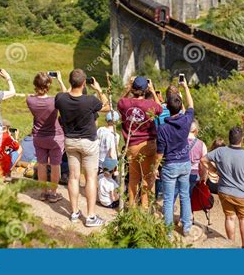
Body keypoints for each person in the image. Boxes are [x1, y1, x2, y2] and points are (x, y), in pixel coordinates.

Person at [55, 69, 110, 227]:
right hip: (88, 143)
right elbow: (107, 107)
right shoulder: (90, 101)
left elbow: (66, 95)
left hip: (70, 142)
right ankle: (91, 217)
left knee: (73, 177)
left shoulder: (61, 98)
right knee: (91, 178)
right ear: (84, 83)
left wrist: (62, 84)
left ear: (70, 82)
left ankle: (74, 213)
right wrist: (99, 90)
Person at [201, 127, 244, 248]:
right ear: (242, 139)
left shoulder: (220, 151)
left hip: (224, 191)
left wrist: (214, 170)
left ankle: (231, 244)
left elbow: (203, 160)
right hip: (243, 194)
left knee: (229, 217)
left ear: (229, 138)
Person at [156, 77, 194, 236]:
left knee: (168, 199)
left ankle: (168, 232)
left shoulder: (163, 128)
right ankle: (186, 227)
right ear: (180, 107)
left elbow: (160, 152)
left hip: (170, 165)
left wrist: (155, 167)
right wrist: (185, 88)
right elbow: (191, 105)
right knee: (185, 196)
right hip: (185, 163)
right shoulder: (186, 120)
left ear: (167, 107)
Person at [118, 76, 162, 208]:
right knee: (146, 178)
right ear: (145, 90)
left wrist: (128, 89)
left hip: (131, 145)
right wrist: (153, 91)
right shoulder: (150, 105)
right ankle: (144, 208)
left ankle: (131, 208)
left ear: (133, 89)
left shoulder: (124, 104)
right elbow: (160, 109)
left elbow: (120, 100)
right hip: (148, 144)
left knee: (133, 179)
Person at [26, 71, 66, 202]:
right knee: (55, 165)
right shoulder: (55, 100)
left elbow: (32, 94)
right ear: (48, 86)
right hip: (55, 137)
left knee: (41, 164)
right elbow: (66, 95)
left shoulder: (30, 100)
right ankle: (53, 193)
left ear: (35, 85)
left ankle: (43, 193)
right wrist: (59, 80)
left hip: (39, 136)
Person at [187, 120, 207, 196]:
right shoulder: (202, 144)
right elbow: (204, 163)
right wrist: (203, 177)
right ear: (195, 130)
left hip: (181, 172)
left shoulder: (180, 142)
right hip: (195, 174)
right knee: (189, 198)